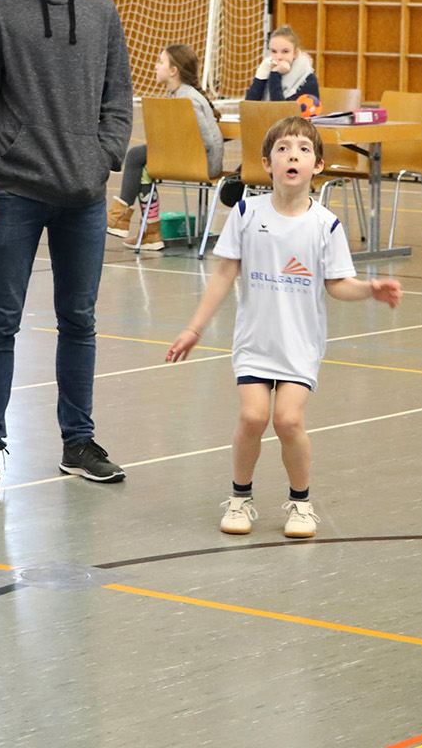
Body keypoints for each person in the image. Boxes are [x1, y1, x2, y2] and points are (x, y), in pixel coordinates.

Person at [0, 0, 132, 488]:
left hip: (81, 194)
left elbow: (119, 98)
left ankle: (78, 441)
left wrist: (101, 157)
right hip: (15, 191)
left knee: (78, 320)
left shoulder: (103, 12)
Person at [165, 117, 401, 538]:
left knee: (288, 422)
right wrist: (194, 329)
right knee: (253, 417)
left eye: (304, 149)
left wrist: (369, 289)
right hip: (255, 342)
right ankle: (239, 498)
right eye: (284, 148)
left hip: (300, 345)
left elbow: (337, 285)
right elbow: (223, 275)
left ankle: (301, 504)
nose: (294, 154)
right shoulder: (245, 212)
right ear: (267, 164)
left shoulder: (326, 224)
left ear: (319, 166)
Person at [107, 43, 224, 251]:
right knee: (144, 168)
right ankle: (152, 233)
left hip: (203, 164)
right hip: (190, 158)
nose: (155, 66)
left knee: (135, 154)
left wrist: (172, 149)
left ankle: (120, 215)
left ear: (173, 71)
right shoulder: (177, 95)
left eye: (161, 62)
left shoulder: (187, 98)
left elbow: (204, 142)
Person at [243, 25, 320, 102]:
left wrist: (275, 74)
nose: (279, 57)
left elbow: (280, 109)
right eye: (273, 51)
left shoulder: (308, 78)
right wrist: (261, 75)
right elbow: (249, 105)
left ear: (295, 53)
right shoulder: (268, 68)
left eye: (285, 51)